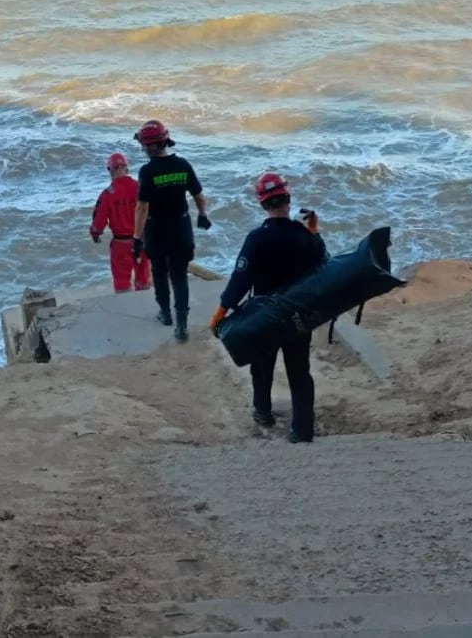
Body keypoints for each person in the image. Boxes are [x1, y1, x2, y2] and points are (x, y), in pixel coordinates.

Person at [209, 172, 326, 443]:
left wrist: (220, 313)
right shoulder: (303, 236)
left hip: (264, 318)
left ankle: (263, 413)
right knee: (300, 371)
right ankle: (302, 430)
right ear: (288, 198)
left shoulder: (256, 239)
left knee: (262, 368)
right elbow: (323, 263)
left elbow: (240, 280)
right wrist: (313, 230)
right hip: (298, 315)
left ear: (262, 204)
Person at [131, 119, 212, 342]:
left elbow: (142, 207)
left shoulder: (147, 171)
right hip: (181, 227)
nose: (142, 148)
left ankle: (165, 315)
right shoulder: (183, 165)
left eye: (144, 144)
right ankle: (182, 325)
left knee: (158, 272)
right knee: (179, 275)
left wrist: (136, 238)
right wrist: (203, 215)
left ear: (151, 146)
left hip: (156, 229)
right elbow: (198, 195)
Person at [90, 152, 151, 293]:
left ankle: (124, 306)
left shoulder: (107, 194)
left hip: (120, 244)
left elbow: (99, 219)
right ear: (127, 168)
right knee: (143, 279)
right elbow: (151, 211)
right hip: (140, 241)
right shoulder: (139, 187)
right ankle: (143, 303)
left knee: (121, 282)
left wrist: (95, 233)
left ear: (110, 170)